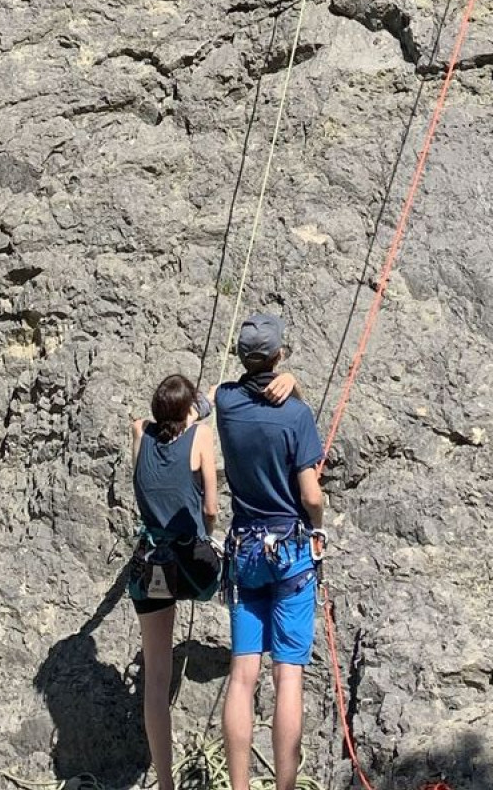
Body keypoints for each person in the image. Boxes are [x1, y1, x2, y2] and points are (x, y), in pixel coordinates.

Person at [128, 366, 291, 790]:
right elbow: (213, 509)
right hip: (195, 567)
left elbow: (151, 422)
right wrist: (208, 535)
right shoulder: (199, 436)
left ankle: (164, 784)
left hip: (151, 566)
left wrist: (179, 411)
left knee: (156, 680)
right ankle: (252, 657)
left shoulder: (139, 434)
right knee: (243, 582)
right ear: (187, 416)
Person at [215, 311, 327, 790]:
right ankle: (283, 787)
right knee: (288, 678)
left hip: (244, 553)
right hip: (290, 552)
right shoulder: (296, 415)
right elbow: (311, 495)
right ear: (280, 355)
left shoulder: (225, 402)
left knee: (243, 677)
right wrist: (318, 530)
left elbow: (221, 392)